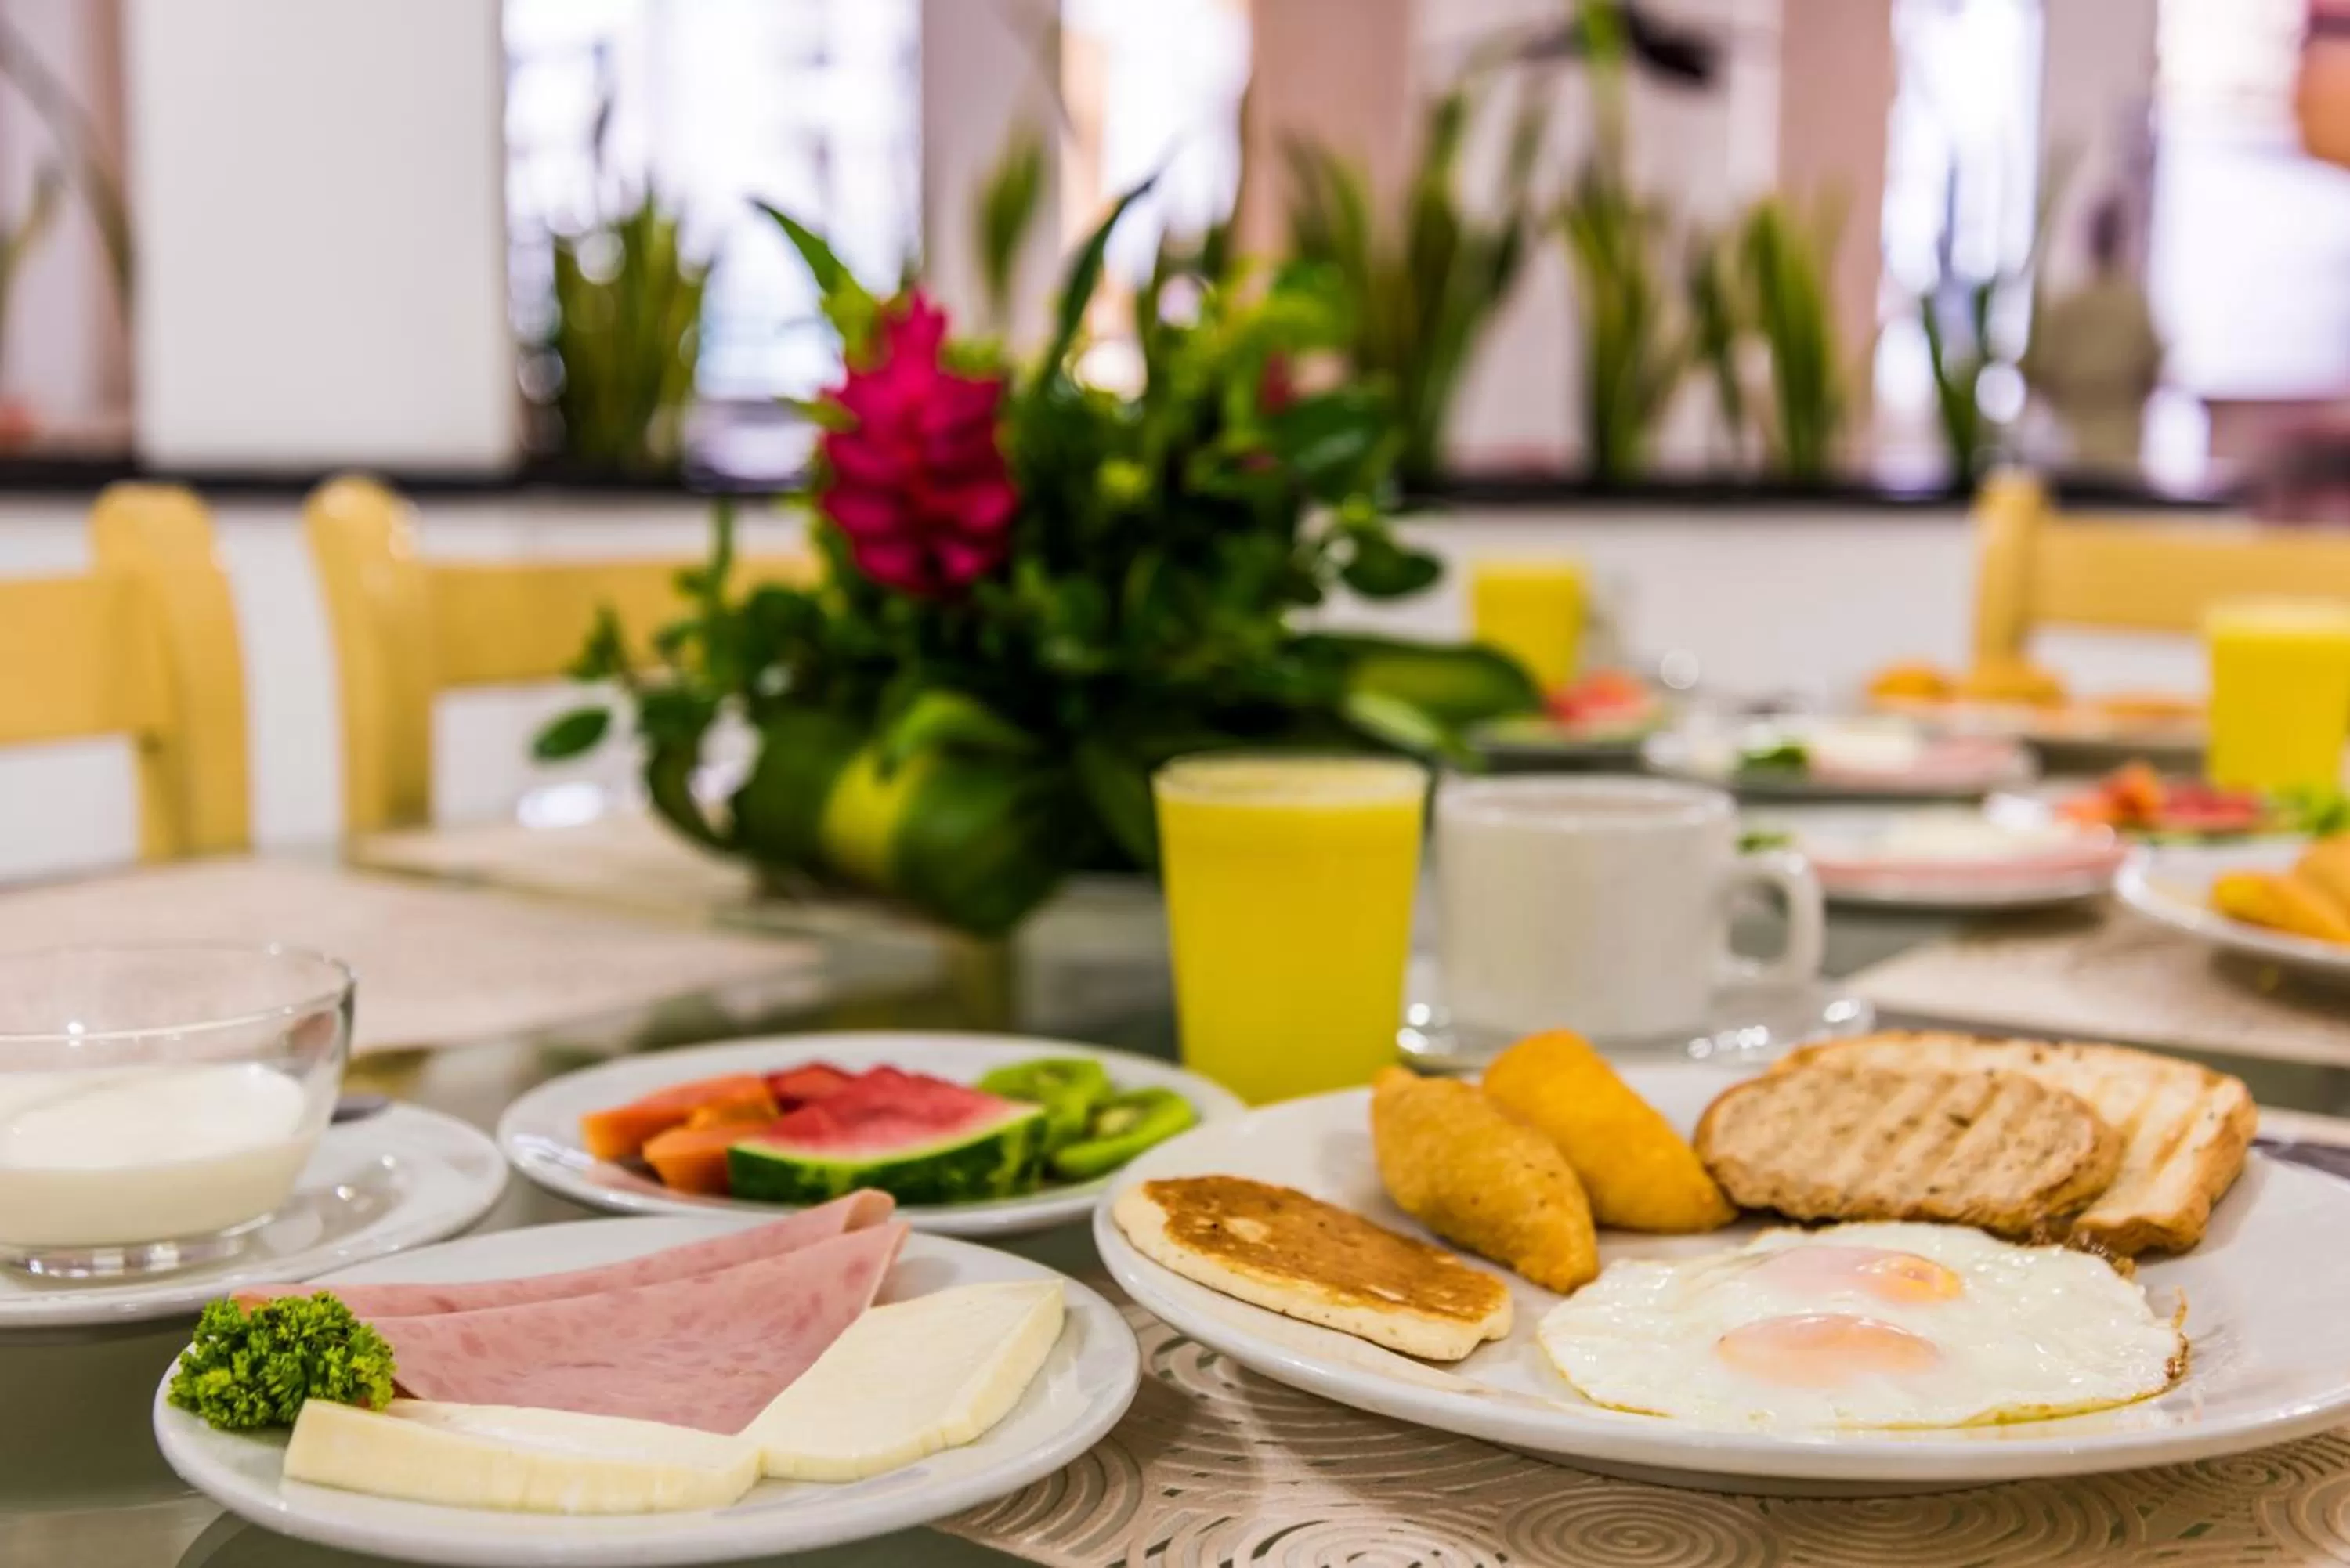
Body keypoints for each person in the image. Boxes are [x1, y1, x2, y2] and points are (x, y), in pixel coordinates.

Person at [2021, 197, 2164, 478]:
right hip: (2119, 450)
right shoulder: (2134, 307)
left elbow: (2037, 373)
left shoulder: (2065, 307)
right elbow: (2152, 374)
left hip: (2069, 449)